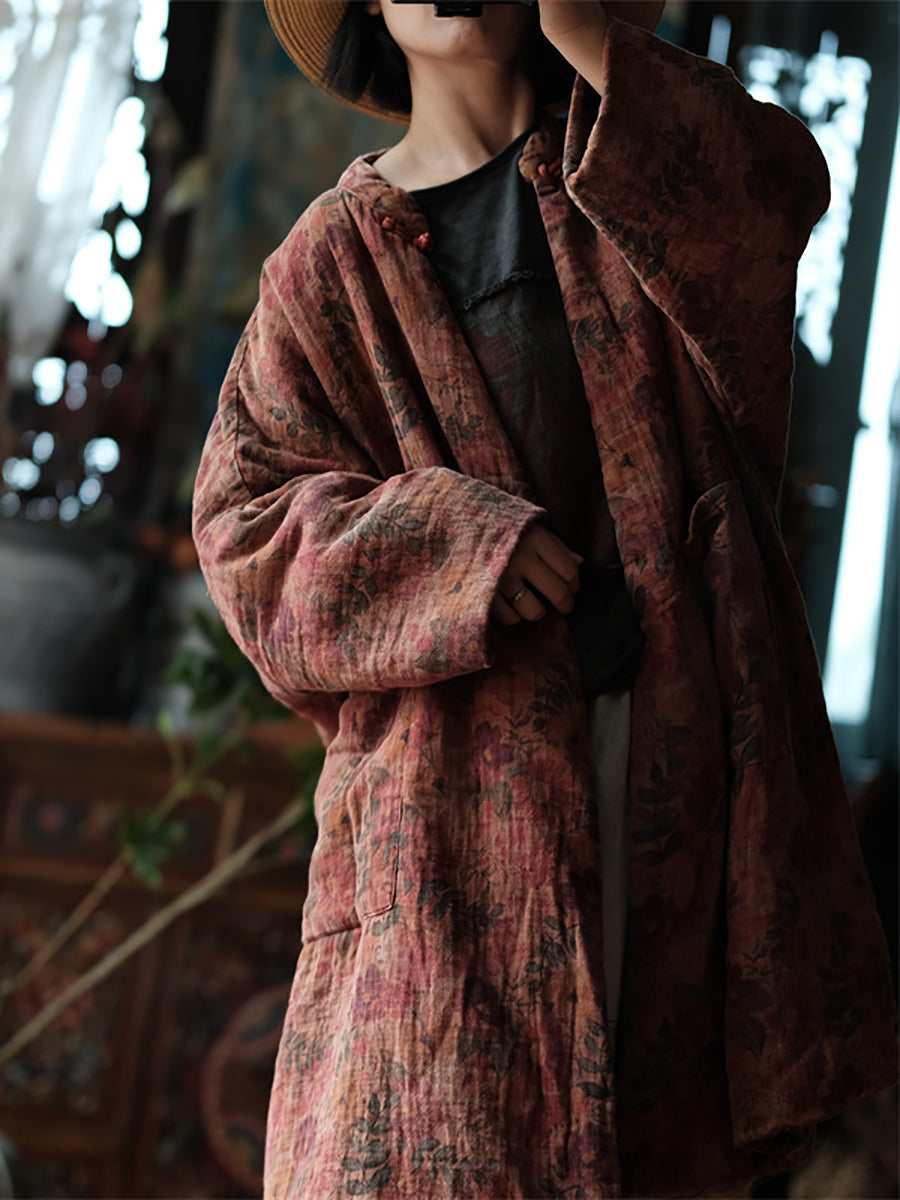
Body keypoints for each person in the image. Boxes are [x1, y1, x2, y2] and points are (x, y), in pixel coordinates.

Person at [192, 2, 899, 1197]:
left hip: (677, 774)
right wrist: (457, 547)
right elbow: (245, 533)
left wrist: (588, 29)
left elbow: (777, 196)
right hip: (449, 818)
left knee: (655, 1151)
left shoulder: (638, 166)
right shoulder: (329, 264)